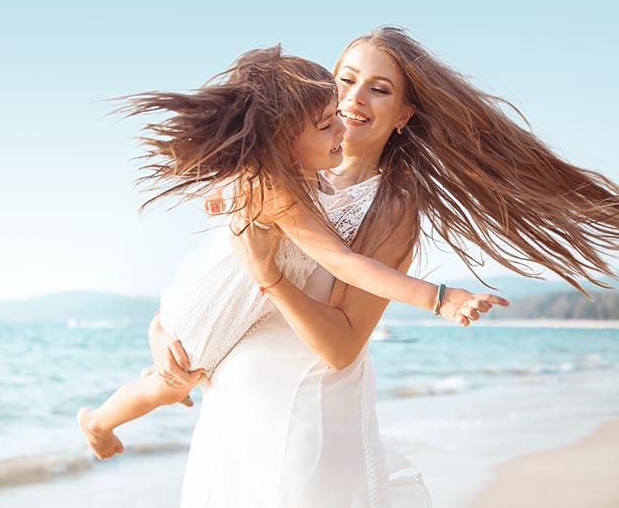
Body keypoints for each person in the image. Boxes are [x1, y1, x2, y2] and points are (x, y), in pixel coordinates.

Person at [149, 27, 619, 507]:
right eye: (345, 81)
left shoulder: (392, 205)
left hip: (302, 426)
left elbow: (340, 348)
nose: (354, 99)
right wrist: (163, 333)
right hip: (231, 417)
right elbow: (212, 278)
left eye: (379, 89)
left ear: (404, 115)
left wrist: (269, 278)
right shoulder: (274, 174)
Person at [76, 46, 507, 460]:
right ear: (288, 139)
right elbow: (345, 262)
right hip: (212, 315)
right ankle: (97, 422)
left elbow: (342, 320)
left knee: (168, 384)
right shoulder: (281, 188)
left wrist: (225, 191)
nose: (342, 121)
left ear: (403, 114)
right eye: (329, 120)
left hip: (268, 373)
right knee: (168, 384)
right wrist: (438, 297)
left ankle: (101, 420)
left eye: (378, 89)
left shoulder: (326, 185)